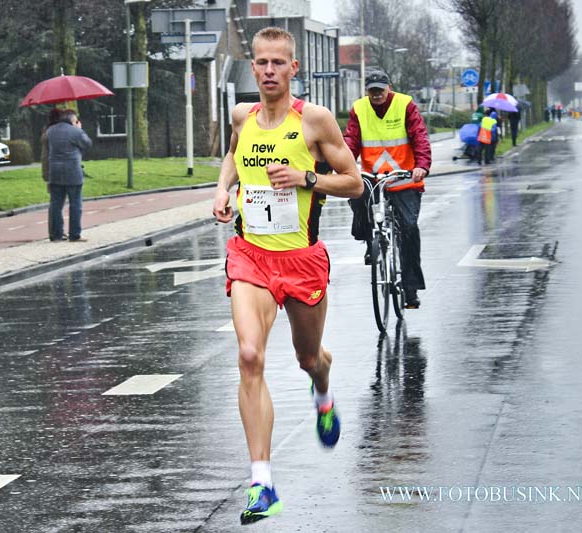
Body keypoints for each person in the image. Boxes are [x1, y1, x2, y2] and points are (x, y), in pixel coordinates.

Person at [211, 26, 362, 525]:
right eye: (262, 63)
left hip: (300, 260)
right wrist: (221, 189)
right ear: (252, 67)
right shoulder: (242, 116)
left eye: (279, 63)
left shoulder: (314, 121)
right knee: (250, 355)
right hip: (251, 255)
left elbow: (355, 183)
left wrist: (306, 178)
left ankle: (323, 388)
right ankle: (262, 483)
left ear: (293, 68)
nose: (270, 71)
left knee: (307, 357)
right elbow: (234, 152)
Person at [343, 69, 431, 309]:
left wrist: (422, 165)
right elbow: (351, 140)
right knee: (356, 193)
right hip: (372, 177)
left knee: (409, 229)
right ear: (367, 92)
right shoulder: (359, 109)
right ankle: (370, 238)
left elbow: (420, 136)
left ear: (389, 87)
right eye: (372, 91)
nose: (377, 95)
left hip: (404, 178)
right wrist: (344, 165)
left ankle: (410, 290)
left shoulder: (405, 105)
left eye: (381, 90)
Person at [47, 109, 91, 242]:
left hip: (55, 171)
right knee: (75, 204)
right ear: (73, 120)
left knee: (56, 204)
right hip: (73, 171)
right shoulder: (76, 131)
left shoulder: (51, 131)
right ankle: (74, 234)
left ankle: (57, 235)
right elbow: (87, 144)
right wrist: (79, 129)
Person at [41, 108, 62, 187]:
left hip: (48, 166)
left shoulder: (46, 129)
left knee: (54, 195)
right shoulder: (56, 131)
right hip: (58, 168)